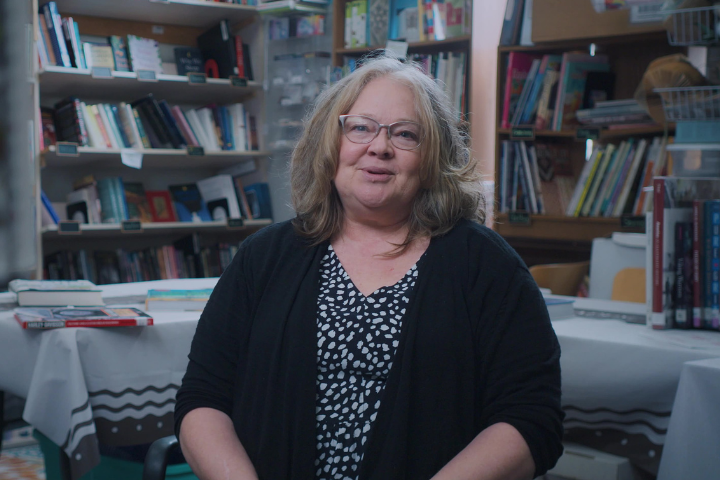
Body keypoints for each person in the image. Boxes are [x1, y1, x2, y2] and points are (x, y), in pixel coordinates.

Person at [175, 54, 563, 480]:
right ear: (330, 142)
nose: (379, 146)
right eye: (360, 127)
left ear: (433, 157)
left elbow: (531, 417)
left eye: (405, 134)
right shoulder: (262, 257)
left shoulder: (488, 266)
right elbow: (203, 398)